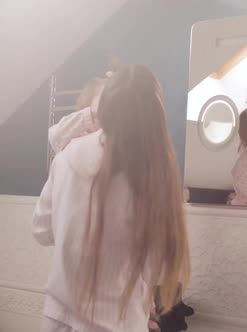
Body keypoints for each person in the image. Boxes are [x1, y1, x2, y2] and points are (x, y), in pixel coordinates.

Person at [32, 64, 190, 332]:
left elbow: (41, 231)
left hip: (58, 320)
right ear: (155, 116)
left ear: (103, 109)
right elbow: (160, 270)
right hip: (117, 323)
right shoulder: (154, 176)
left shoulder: (66, 157)